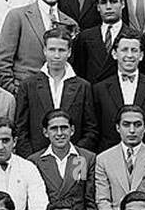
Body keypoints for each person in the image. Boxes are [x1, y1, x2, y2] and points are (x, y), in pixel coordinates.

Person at [14, 25, 98, 155]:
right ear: (44, 51)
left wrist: (76, 154)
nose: (56, 55)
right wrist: (31, 158)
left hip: (74, 158)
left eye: (61, 50)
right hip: (37, 159)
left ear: (69, 52)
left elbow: (90, 129)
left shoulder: (83, 86)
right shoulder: (28, 85)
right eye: (52, 50)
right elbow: (21, 128)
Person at [0, 0, 75, 89]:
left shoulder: (70, 24)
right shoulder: (17, 16)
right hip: (25, 91)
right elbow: (2, 62)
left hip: (59, 93)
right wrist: (15, 92)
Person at [92, 29, 145, 151]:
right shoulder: (99, 90)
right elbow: (97, 130)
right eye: (124, 50)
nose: (130, 55)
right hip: (110, 156)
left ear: (141, 55)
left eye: (134, 50)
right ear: (114, 54)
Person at [33, 109, 99, 210]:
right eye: (53, 129)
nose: (59, 133)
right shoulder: (35, 162)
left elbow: (91, 202)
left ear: (72, 130)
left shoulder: (85, 158)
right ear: (45, 132)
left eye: (64, 128)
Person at [71, 0, 139, 85]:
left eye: (113, 2)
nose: (108, 7)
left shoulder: (136, 38)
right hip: (93, 96)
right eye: (103, 2)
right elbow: (79, 73)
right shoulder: (85, 37)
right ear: (98, 7)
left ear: (123, 4)